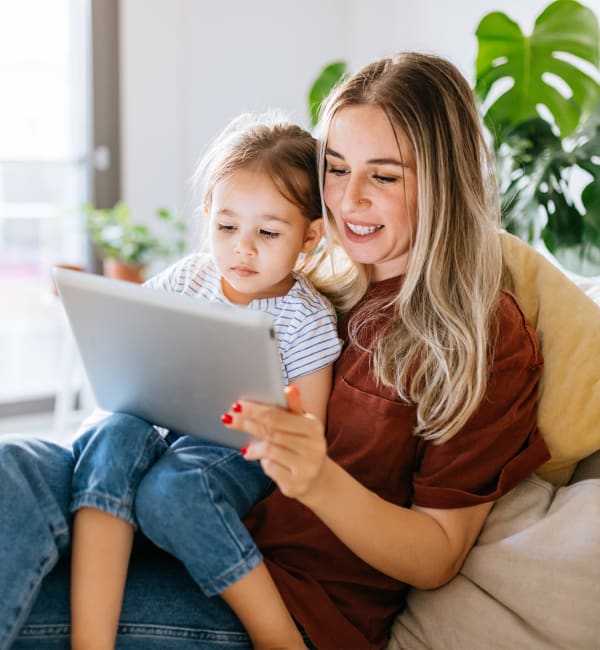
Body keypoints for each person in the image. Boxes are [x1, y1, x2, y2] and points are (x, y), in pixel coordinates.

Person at [0, 51, 550, 650]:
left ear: (445, 183)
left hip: (278, 588)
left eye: (384, 176)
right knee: (12, 470)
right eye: (336, 169)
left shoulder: (482, 338)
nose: (348, 200)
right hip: (164, 500)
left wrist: (316, 479)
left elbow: (437, 555)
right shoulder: (322, 277)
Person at [68, 114, 342, 650]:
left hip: (236, 451)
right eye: (226, 227)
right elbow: (134, 340)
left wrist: (285, 423)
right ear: (208, 217)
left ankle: (276, 638)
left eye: (267, 232)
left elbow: (309, 431)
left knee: (177, 489)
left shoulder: (303, 317)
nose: (243, 248)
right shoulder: (188, 277)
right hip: (164, 423)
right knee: (110, 435)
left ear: (309, 236)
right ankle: (90, 636)